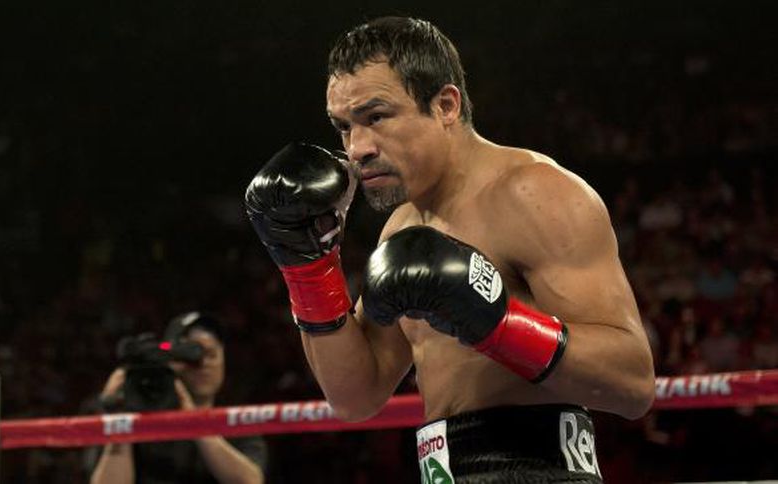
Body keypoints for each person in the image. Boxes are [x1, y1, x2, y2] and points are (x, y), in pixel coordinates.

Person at [245, 16, 655, 483]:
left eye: (376, 117)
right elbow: (355, 397)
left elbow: (633, 384)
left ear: (445, 105)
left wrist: (498, 324)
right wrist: (308, 269)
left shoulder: (535, 194)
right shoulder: (402, 228)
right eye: (344, 126)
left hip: (543, 470)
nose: (357, 149)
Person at [89, 312, 266, 484]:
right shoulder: (142, 421)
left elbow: (251, 481)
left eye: (212, 355)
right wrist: (121, 422)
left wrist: (196, 423)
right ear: (171, 361)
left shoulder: (238, 422)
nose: (204, 364)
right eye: (191, 356)